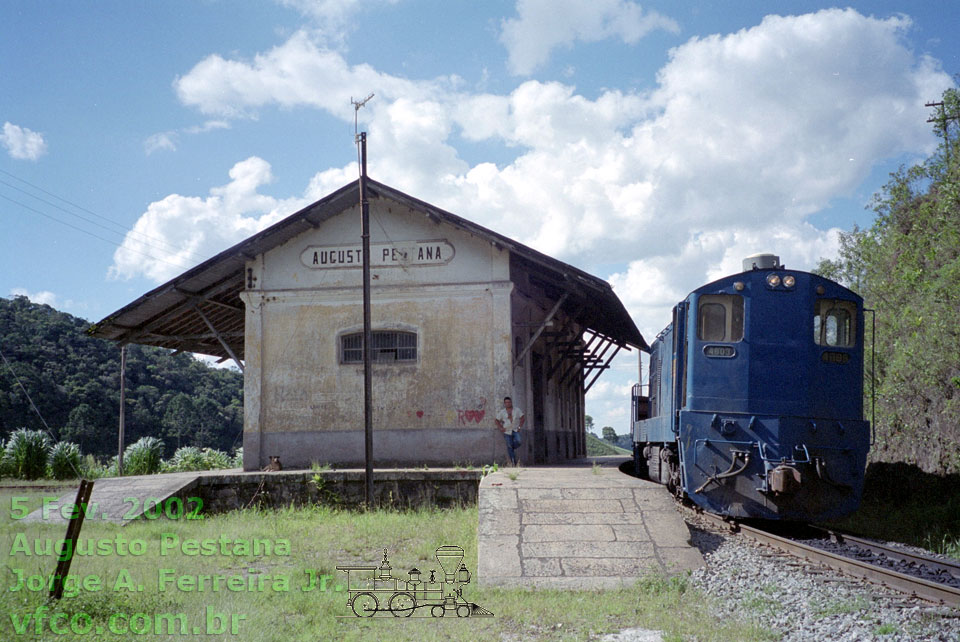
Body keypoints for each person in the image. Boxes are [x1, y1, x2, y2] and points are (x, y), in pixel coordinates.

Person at [495, 396, 525, 466]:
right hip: (507, 431)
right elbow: (496, 420)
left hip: (515, 429)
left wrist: (520, 426)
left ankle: (512, 447)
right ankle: (513, 462)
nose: (508, 404)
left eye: (509, 402)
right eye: (506, 402)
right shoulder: (502, 412)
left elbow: (522, 418)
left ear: (511, 402)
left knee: (519, 441)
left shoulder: (517, 410)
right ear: (504, 404)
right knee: (509, 446)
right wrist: (501, 428)